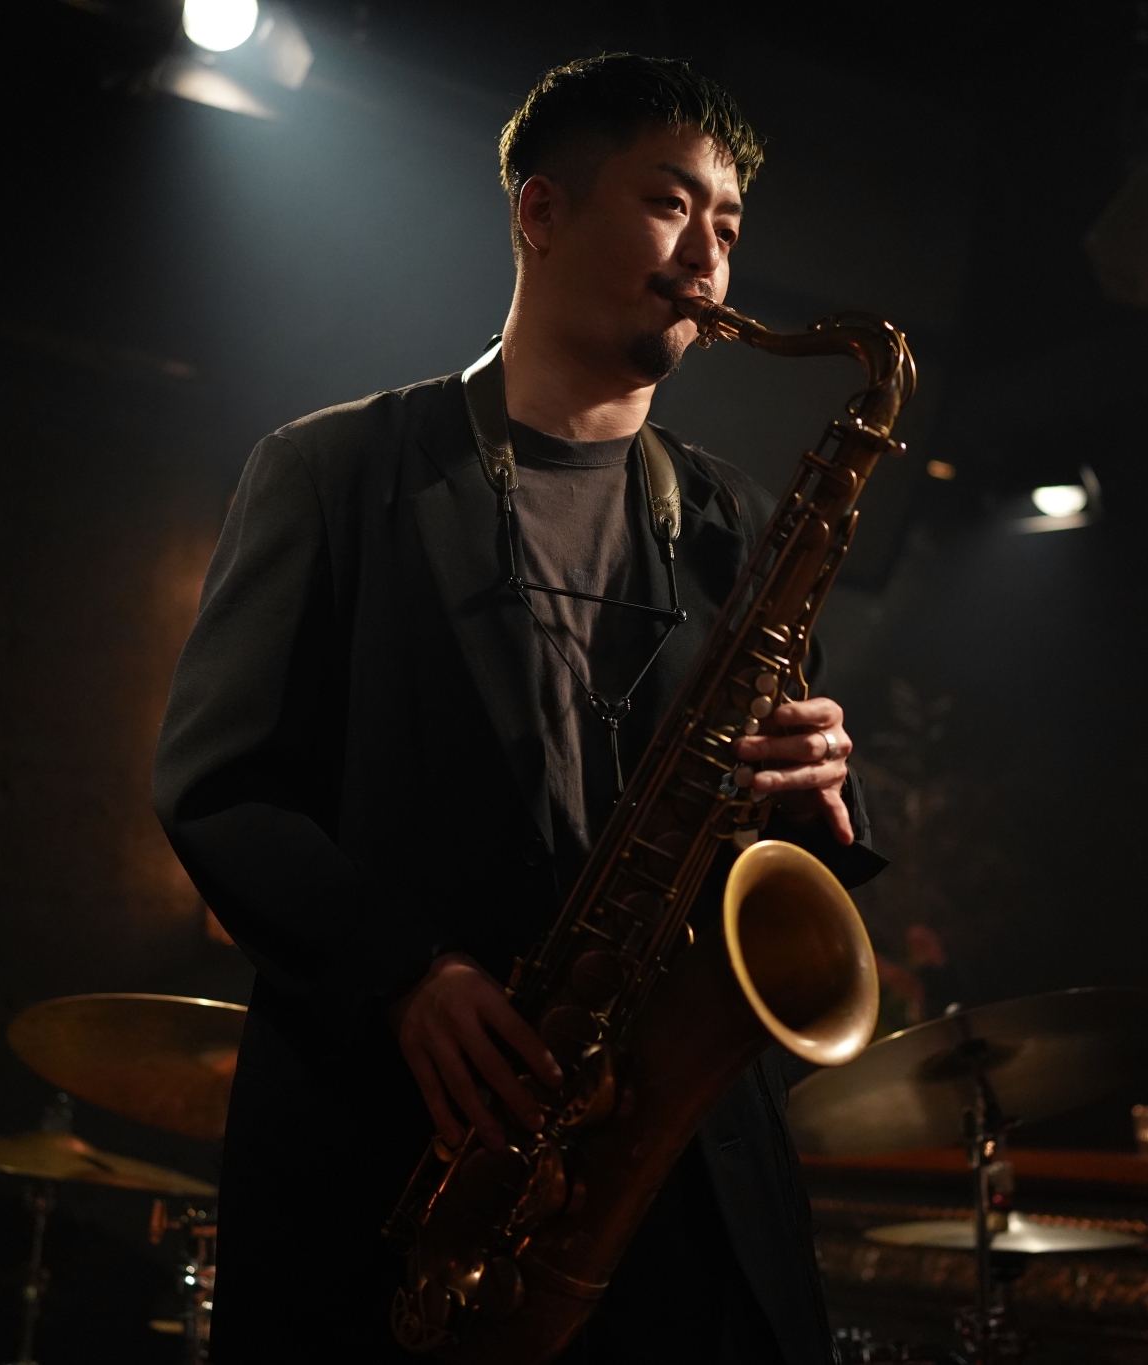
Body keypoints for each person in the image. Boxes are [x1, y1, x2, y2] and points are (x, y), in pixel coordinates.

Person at [152, 53, 885, 1364]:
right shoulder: (332, 470)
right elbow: (220, 783)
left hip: (676, 1186)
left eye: (727, 226)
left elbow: (769, 848)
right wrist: (403, 972)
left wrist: (819, 793)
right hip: (413, 1156)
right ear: (539, 213)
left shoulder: (732, 522)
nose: (708, 256)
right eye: (671, 204)